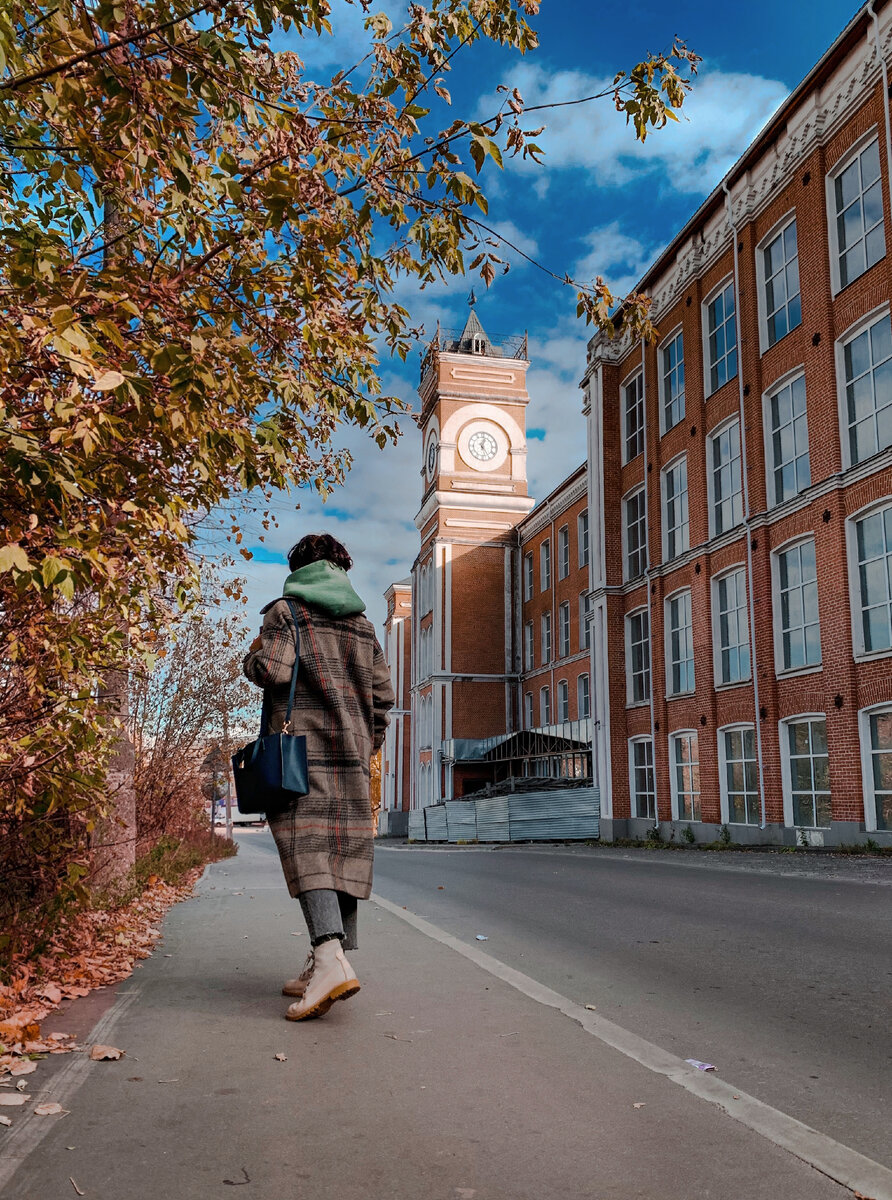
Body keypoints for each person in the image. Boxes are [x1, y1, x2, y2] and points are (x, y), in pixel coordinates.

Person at [242, 533, 395, 1021]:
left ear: (298, 568)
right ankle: (326, 959)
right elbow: (383, 697)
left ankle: (329, 959)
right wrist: (366, 743)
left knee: (308, 851)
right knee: (340, 853)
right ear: (341, 569)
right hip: (350, 755)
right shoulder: (364, 626)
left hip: (299, 757)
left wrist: (252, 652)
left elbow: (271, 670)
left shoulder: (287, 612)